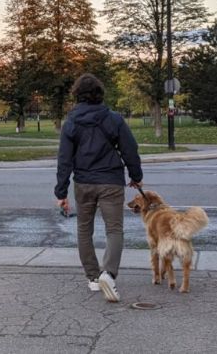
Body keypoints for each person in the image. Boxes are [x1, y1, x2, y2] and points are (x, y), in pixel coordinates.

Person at [54, 73, 143, 303]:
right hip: (110, 181)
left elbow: (64, 159)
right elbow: (129, 148)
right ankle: (109, 274)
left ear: (77, 95)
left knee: (85, 229)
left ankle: (93, 277)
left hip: (83, 183)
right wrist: (136, 176)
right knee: (114, 230)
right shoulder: (113, 119)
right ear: (99, 94)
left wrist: (61, 192)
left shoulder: (71, 122)